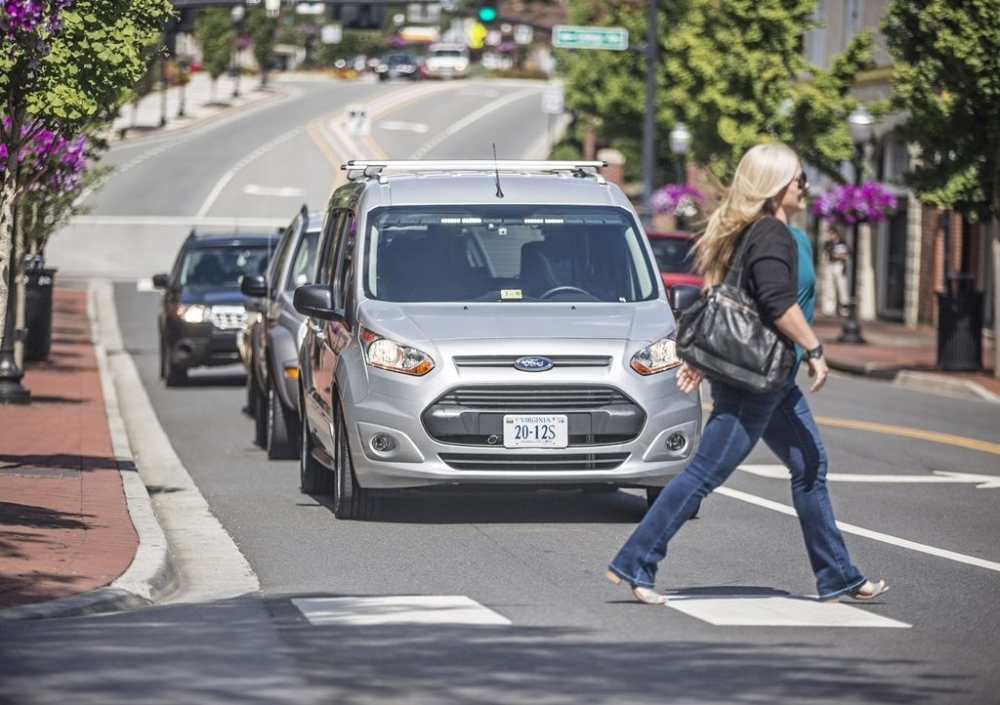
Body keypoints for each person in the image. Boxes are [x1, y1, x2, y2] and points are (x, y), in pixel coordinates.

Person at [604, 143, 889, 605]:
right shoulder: (771, 233)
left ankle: (838, 576)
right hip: (754, 379)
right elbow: (776, 303)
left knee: (810, 467)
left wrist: (703, 359)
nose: (805, 188)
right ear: (778, 187)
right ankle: (636, 562)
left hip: (770, 379)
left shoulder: (755, 232)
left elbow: (730, 300)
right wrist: (815, 348)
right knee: (703, 474)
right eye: (799, 180)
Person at [821, 224, 851, 317]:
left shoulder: (842, 243)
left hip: (839, 265)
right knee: (829, 288)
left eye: (830, 233)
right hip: (830, 265)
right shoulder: (828, 244)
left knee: (842, 287)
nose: (829, 236)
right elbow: (826, 253)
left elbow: (847, 255)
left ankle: (844, 309)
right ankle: (829, 309)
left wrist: (839, 255)